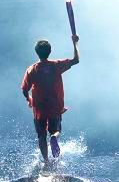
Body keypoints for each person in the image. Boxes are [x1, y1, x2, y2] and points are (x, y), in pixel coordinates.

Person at [21, 35, 80, 163]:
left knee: (41, 135)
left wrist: (29, 100)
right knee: (56, 130)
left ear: (36, 52)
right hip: (55, 105)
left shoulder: (31, 70)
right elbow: (76, 60)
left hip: (39, 107)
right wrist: (75, 43)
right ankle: (54, 137)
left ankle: (46, 161)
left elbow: (24, 89)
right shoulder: (56, 65)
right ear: (50, 51)